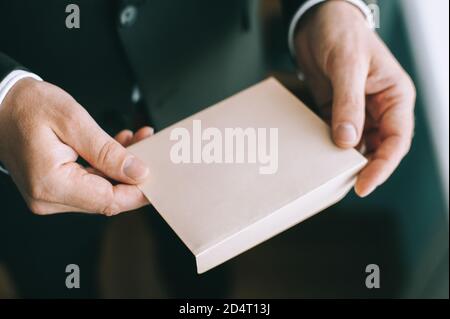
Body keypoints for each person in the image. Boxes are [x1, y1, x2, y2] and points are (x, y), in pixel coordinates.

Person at [0, 0, 415, 297]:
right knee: (53, 279)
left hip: (216, 97)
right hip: (24, 121)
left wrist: (330, 7)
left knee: (204, 276)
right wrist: (5, 99)